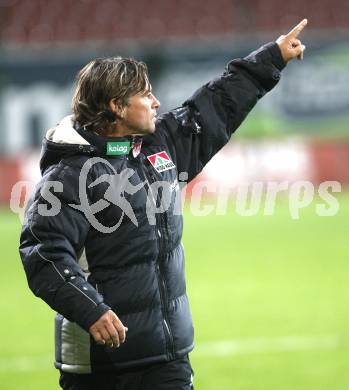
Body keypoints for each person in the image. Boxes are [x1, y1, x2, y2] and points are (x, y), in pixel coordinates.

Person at [19, 19, 307, 390]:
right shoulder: (69, 177)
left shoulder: (159, 146)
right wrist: (91, 310)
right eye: (145, 95)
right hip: (102, 365)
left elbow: (217, 105)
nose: (156, 102)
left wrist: (272, 57)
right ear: (117, 107)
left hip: (168, 357)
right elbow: (44, 255)